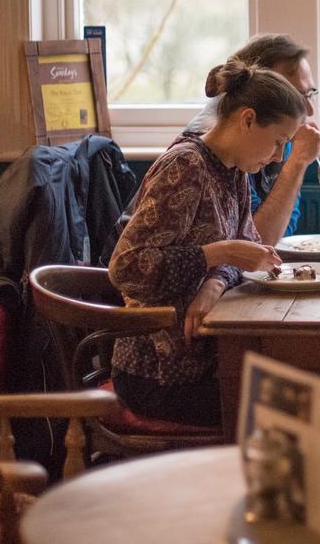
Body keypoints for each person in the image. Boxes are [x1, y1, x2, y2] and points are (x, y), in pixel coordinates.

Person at [109, 59, 307, 426]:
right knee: (300, 413)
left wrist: (215, 281)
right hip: (159, 373)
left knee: (314, 393)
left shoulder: (233, 170)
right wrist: (219, 253)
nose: (279, 156)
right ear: (247, 120)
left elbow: (247, 250)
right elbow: (127, 268)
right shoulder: (185, 167)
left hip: (204, 360)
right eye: (279, 141)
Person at [183, 34, 320, 245]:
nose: (309, 110)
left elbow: (281, 228)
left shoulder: (274, 133)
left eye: (310, 93)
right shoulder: (218, 145)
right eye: (296, 95)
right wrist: (297, 162)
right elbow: (256, 241)